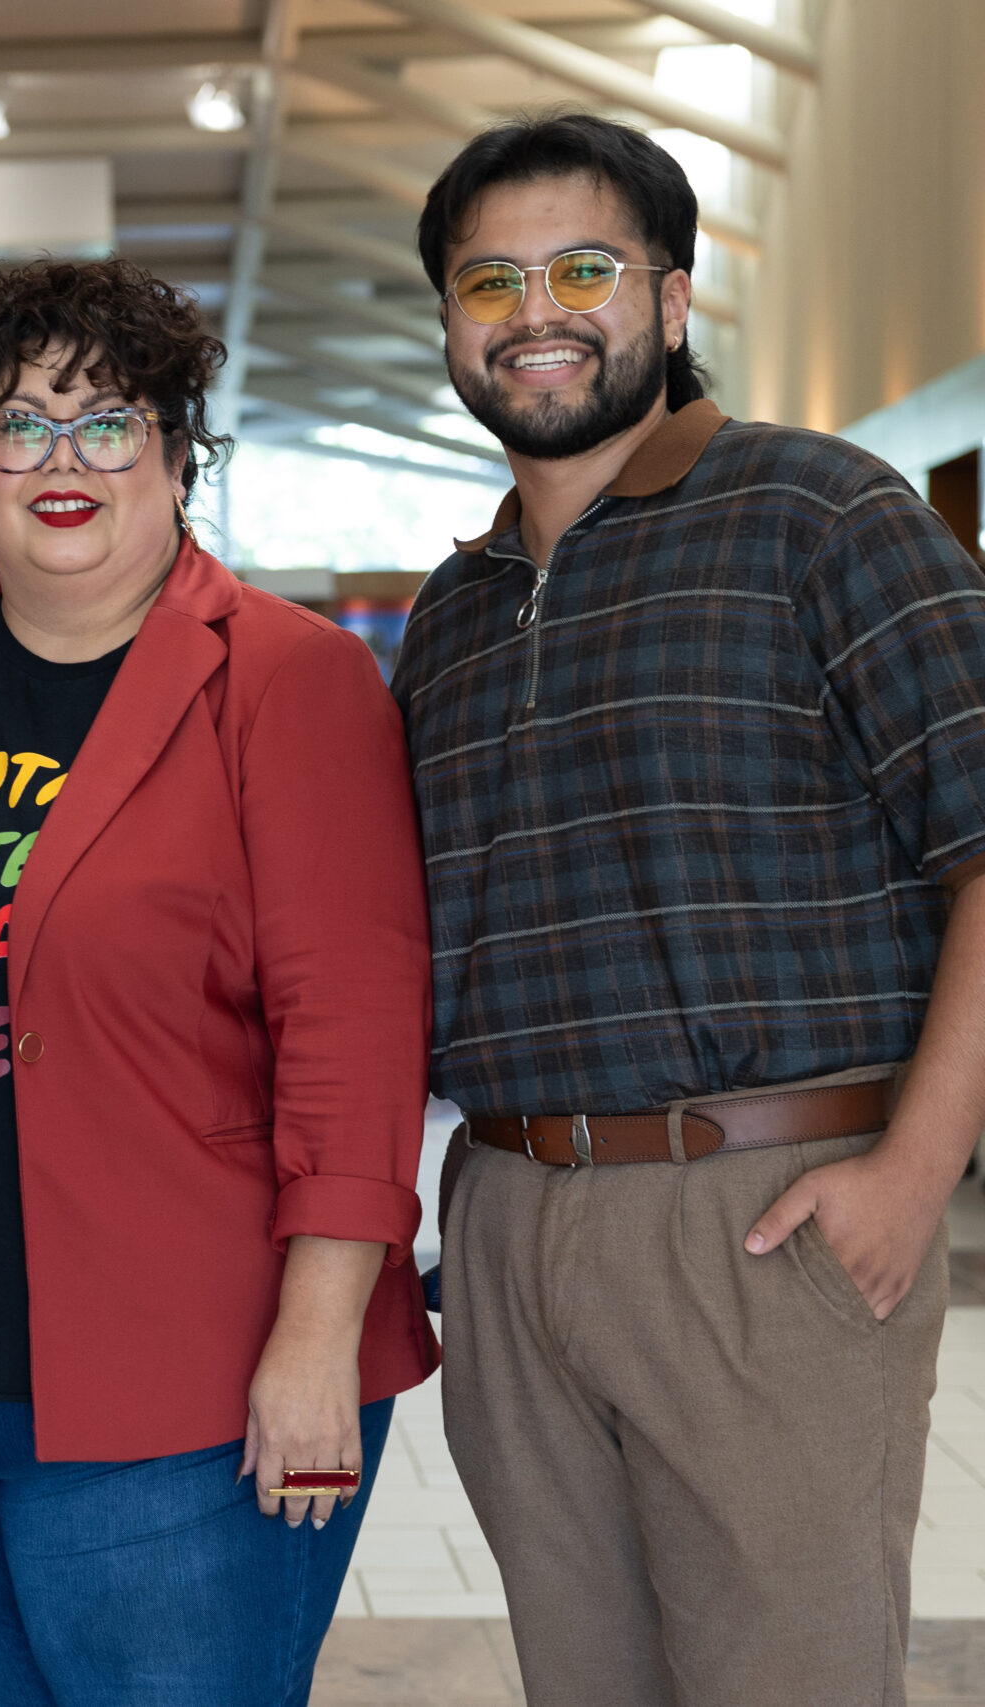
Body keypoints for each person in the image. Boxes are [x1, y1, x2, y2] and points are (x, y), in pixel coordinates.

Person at [0, 259, 439, 1707]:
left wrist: (317, 1340)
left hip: (171, 1389)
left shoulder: (288, 681)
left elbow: (355, 1035)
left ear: (179, 455)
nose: (63, 461)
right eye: (20, 424)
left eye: (109, 421)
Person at [397, 113, 985, 1707]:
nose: (536, 311)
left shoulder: (820, 514)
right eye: (488, 279)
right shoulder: (449, 615)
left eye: (583, 266)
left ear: (669, 295)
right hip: (513, 1217)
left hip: (767, 1209)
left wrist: (913, 1174)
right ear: (446, 321)